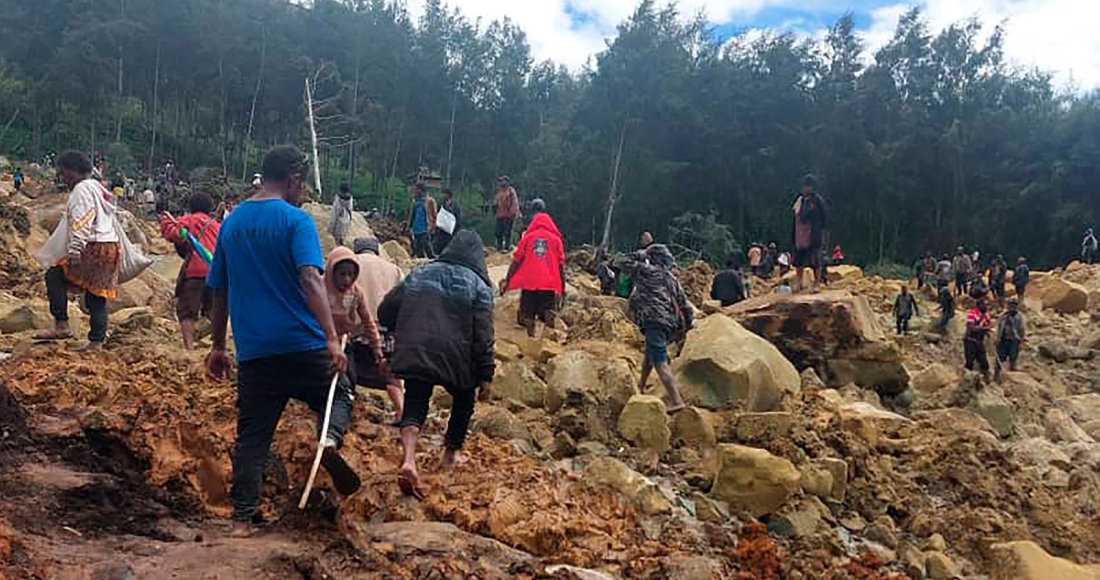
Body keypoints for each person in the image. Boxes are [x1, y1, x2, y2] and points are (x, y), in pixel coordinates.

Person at [204, 146, 359, 538]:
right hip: (302, 344)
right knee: (340, 391)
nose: (302, 189)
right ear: (292, 178)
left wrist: (219, 347)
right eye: (301, 182)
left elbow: (219, 291)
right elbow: (310, 279)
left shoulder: (232, 223)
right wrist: (331, 339)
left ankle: (241, 521)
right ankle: (328, 439)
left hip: (256, 352)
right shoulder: (296, 221)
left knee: (253, 437)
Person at [378, 230, 495, 501]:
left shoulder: (421, 273)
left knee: (416, 401)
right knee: (464, 401)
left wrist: (397, 333)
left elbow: (386, 309)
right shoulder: (479, 286)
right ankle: (450, 454)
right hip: (457, 358)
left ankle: (409, 458)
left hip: (417, 349)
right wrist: (486, 374)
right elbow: (484, 334)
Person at [33, 151, 121, 349]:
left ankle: (62, 325)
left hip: (93, 246)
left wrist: (75, 248)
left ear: (75, 171)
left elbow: (84, 218)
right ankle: (96, 342)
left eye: (64, 173)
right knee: (96, 295)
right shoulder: (99, 188)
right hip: (110, 246)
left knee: (55, 275)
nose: (63, 178)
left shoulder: (81, 190)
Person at [615, 244, 693, 413]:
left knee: (660, 362)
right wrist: (687, 327)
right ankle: (640, 386)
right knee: (650, 355)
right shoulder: (672, 279)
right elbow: (686, 306)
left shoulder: (646, 271)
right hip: (669, 323)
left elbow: (619, 261)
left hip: (654, 320)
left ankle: (676, 400)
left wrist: (639, 254)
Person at [323, 246, 398, 415]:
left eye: (351, 275)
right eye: (342, 274)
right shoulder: (319, 289)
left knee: (349, 377)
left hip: (346, 340)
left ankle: (343, 410)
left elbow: (367, 321)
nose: (347, 280)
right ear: (331, 272)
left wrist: (377, 349)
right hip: (320, 342)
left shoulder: (355, 293)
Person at [350, 237, 406, 419]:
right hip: (386, 332)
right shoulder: (393, 269)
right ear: (376, 250)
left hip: (357, 330)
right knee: (392, 379)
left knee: (348, 372)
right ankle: (402, 412)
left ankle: (346, 409)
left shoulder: (350, 264)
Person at [158, 192, 220, 350]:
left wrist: (165, 220)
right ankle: (215, 344)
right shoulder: (216, 225)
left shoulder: (188, 220)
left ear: (190, 207)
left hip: (195, 271)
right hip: (215, 271)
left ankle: (189, 346)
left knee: (187, 311)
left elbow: (173, 234)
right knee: (212, 309)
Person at [501, 199, 565, 338]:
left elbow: (516, 261)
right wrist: (562, 287)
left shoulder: (528, 237)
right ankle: (548, 340)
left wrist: (508, 279)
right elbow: (561, 265)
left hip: (529, 281)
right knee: (548, 310)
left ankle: (531, 339)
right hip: (548, 283)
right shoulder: (556, 239)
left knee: (528, 313)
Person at [791, 174, 827, 293]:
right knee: (798, 261)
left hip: (813, 234)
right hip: (800, 235)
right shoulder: (799, 200)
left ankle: (817, 283)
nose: (806, 189)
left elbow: (824, 218)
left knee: (815, 261)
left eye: (808, 187)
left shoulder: (817, 201)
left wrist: (822, 232)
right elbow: (795, 216)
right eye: (804, 186)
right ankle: (799, 282)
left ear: (812, 188)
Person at [994, 298, 1027, 381]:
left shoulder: (1020, 317)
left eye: (1013, 305)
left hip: (1014, 340)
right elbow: (999, 327)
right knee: (1000, 359)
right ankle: (996, 377)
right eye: (1010, 305)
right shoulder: (1003, 315)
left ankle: (1012, 378)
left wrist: (1022, 340)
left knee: (1013, 358)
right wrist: (997, 339)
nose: (1011, 307)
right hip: (1003, 340)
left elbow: (1022, 329)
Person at [964, 299, 994, 380]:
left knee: (984, 361)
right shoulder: (972, 313)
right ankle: (966, 379)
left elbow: (989, 325)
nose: (986, 307)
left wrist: (985, 329)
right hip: (970, 340)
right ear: (978, 306)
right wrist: (984, 328)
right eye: (984, 305)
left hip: (980, 340)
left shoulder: (986, 315)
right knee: (970, 361)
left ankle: (986, 379)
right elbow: (971, 327)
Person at [406, 183, 437, 258]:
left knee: (426, 244)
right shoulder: (415, 201)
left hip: (425, 227)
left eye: (417, 189)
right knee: (417, 247)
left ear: (422, 190)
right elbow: (412, 215)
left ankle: (432, 258)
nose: (415, 191)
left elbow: (434, 215)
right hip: (416, 228)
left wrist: (433, 226)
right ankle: (421, 260)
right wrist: (408, 226)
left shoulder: (430, 201)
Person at [493, 176, 520, 251]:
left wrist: (514, 213)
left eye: (503, 181)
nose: (501, 183)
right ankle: (499, 246)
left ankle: (506, 247)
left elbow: (515, 202)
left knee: (507, 232)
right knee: (498, 232)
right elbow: (496, 202)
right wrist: (494, 209)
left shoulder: (511, 191)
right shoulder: (499, 192)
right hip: (500, 215)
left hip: (508, 215)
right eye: (500, 181)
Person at [433, 188, 462, 255]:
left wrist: (456, 232)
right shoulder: (441, 205)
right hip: (441, 233)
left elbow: (458, 220)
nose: (442, 196)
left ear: (449, 195)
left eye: (444, 194)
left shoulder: (455, 206)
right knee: (438, 250)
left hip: (451, 234)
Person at [329, 183, 354, 247]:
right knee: (342, 238)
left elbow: (334, 214)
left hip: (338, 221)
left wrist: (331, 228)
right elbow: (350, 210)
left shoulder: (338, 200)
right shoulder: (350, 199)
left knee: (337, 239)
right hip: (346, 219)